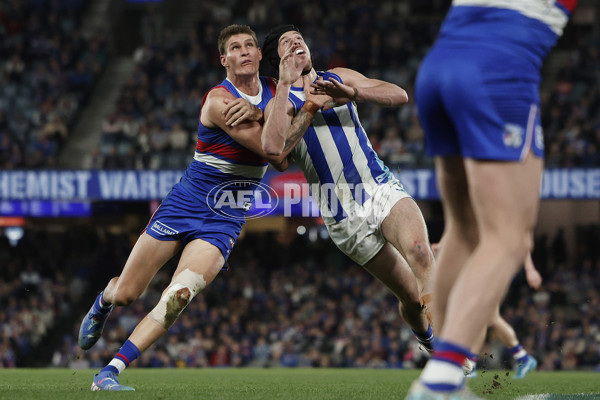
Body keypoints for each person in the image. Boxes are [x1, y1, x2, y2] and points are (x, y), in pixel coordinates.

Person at [76, 24, 326, 391]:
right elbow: (274, 150)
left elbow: (282, 158)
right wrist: (276, 115)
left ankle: (110, 371)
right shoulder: (217, 101)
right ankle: (104, 300)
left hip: (225, 216)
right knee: (128, 293)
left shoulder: (276, 91)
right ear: (223, 60)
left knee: (180, 294)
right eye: (235, 48)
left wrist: (264, 113)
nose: (244, 51)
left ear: (259, 55)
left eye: (250, 46)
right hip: (185, 203)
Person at [408, 1, 577, 398]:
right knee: (509, 239)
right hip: (496, 70)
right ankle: (443, 380)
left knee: (463, 231)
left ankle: (443, 372)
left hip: (436, 69)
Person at [259, 25, 436, 355]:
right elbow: (275, 153)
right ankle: (427, 339)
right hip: (343, 216)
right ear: (278, 60)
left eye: (299, 37)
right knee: (411, 298)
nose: (297, 42)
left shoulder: (336, 76)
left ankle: (450, 349)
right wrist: (304, 101)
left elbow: (399, 95)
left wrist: (352, 94)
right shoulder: (278, 104)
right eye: (287, 43)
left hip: (379, 187)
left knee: (421, 252)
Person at [431, 244, 541, 379]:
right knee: (486, 316)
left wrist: (530, 269)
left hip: (497, 265)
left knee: (489, 316)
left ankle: (521, 359)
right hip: (485, 265)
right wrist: (443, 244)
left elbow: (521, 238)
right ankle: (521, 359)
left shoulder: (502, 225)